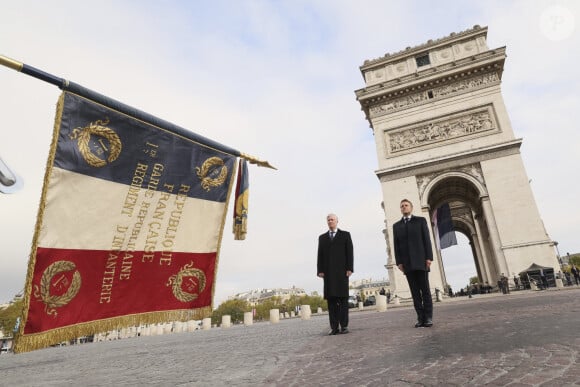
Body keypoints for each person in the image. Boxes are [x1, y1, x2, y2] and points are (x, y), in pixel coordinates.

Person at [393, 199, 434, 328]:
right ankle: (420, 318)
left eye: (406, 205)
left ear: (411, 207)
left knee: (425, 291)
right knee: (415, 293)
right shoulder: (396, 226)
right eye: (402, 206)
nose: (404, 207)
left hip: (421, 261)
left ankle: (428, 317)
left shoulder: (420, 221)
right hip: (407, 264)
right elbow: (396, 246)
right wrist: (399, 262)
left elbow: (426, 239)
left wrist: (429, 257)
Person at [317, 213, 354, 335]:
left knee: (343, 300)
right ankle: (334, 327)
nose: (330, 221)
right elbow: (320, 255)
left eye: (332, 219)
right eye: (328, 220)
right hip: (328, 274)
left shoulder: (345, 235)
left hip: (342, 272)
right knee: (331, 301)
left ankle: (344, 326)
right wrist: (320, 270)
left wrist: (350, 268)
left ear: (337, 221)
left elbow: (350, 252)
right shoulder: (322, 238)